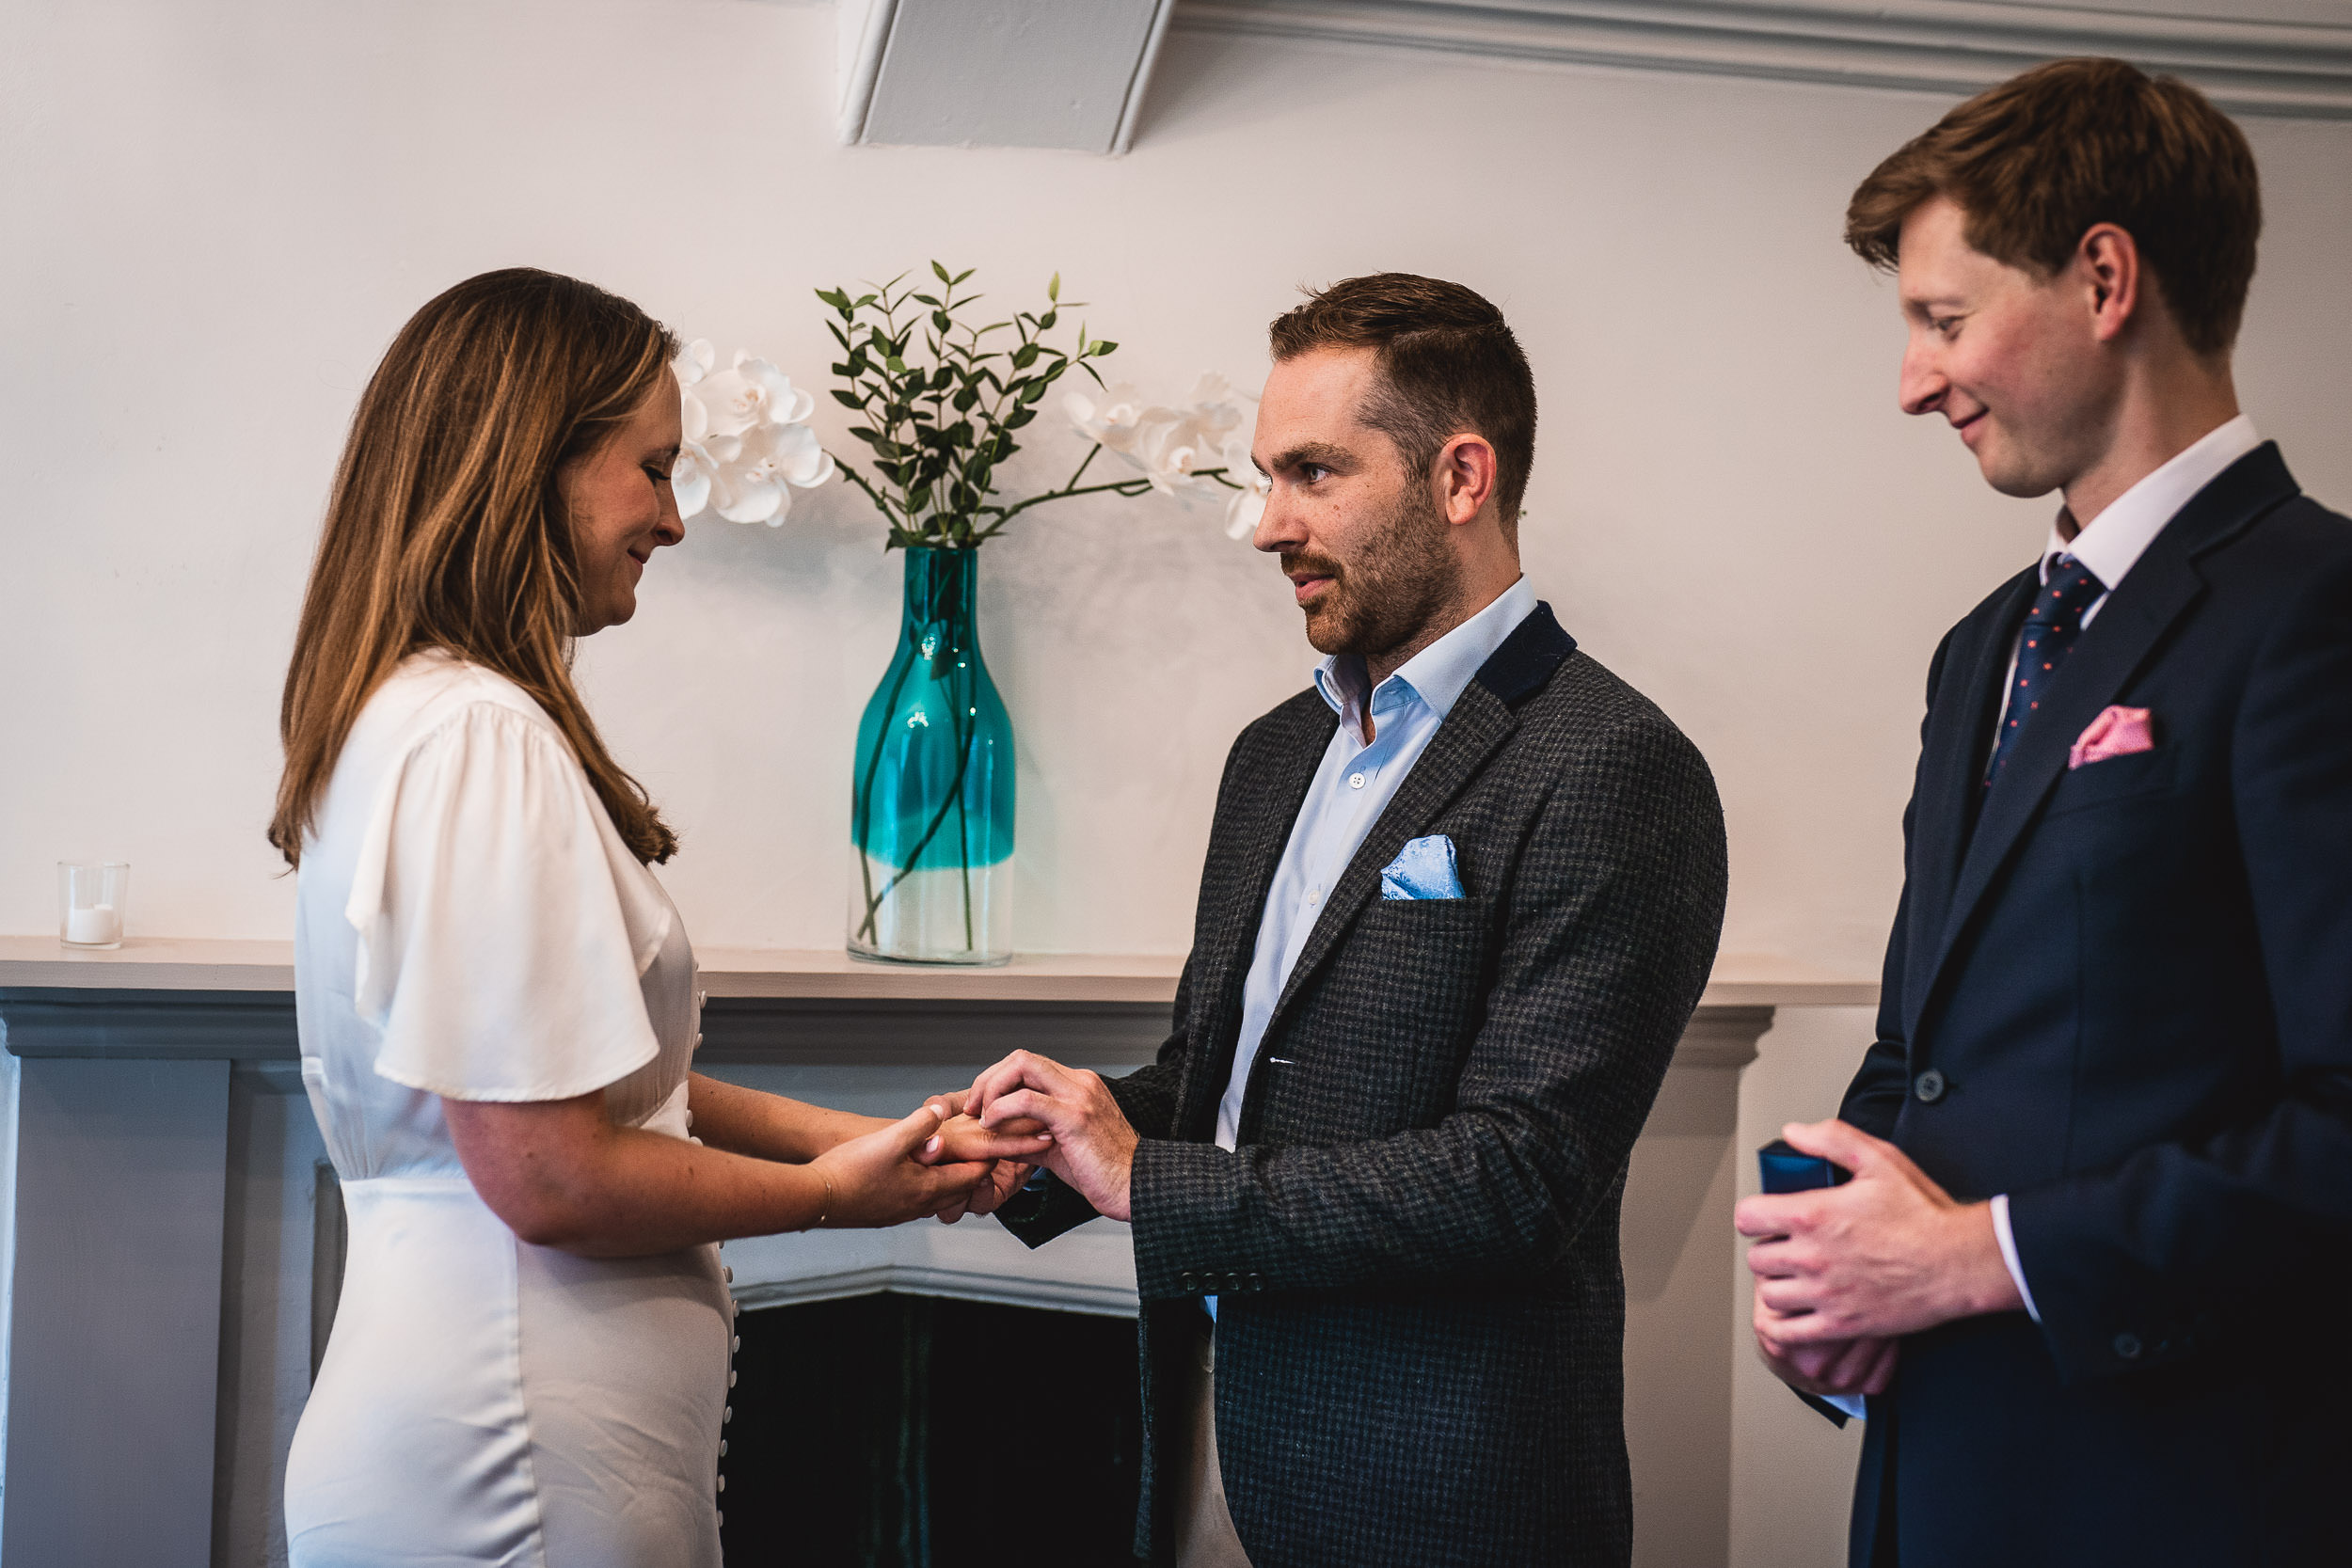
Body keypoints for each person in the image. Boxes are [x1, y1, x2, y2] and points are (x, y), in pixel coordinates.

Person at [271, 268, 1042, 1568]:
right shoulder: (478, 740)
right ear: (535, 465)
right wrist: (832, 1206)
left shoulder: (419, 717)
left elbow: (624, 1092)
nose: (674, 520)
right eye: (653, 470)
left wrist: (876, 1146)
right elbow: (552, 1171)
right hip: (511, 1462)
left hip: (506, 1424)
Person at [961, 274, 1729, 1567]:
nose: (1270, 526)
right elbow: (1236, 1081)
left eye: (1316, 472)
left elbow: (1520, 1177)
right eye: (1268, 477)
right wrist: (1055, 1138)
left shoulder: (1611, 764)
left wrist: (1147, 1182)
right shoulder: (1274, 755)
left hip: (1441, 1500)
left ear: (1461, 478)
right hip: (1210, 1451)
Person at [1734, 59, 2352, 1567]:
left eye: (1945, 321)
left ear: (2104, 276)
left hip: (2182, 1493)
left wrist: (1975, 1261)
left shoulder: (2320, 612)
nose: (1913, 381)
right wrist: (1830, 1271)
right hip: (1938, 1474)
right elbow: (1924, 1043)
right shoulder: (1984, 644)